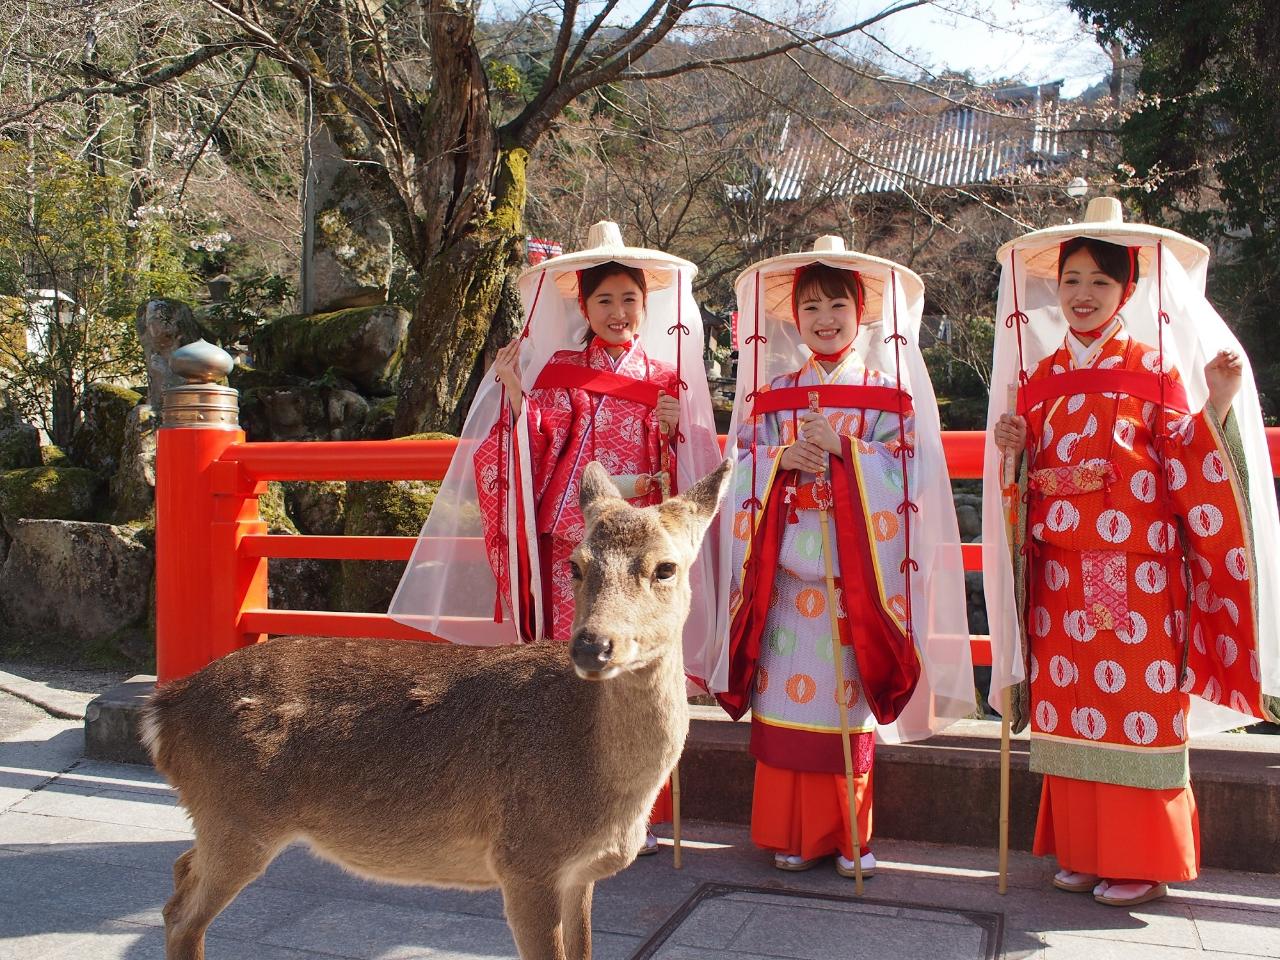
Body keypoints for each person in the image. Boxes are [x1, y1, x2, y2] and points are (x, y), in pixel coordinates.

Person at [390, 221, 723, 854]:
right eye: (605, 301)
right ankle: (565, 806)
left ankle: (631, 816)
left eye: (629, 300)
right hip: (579, 541)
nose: (618, 312)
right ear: (584, 306)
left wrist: (681, 429)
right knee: (571, 667)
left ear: (645, 305)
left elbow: (691, 484)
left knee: (640, 668)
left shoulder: (667, 378)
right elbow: (528, 446)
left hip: (640, 549)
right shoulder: (564, 372)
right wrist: (516, 395)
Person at [984, 197, 1280, 906]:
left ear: (1128, 291)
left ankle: (1139, 858)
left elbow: (1184, 455)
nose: (1084, 296)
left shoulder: (1151, 369)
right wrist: (1015, 454)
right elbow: (1023, 487)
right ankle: (1084, 850)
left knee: (1133, 709)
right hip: (1061, 575)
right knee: (1071, 708)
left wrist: (1216, 402)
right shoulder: (1042, 376)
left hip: (1134, 578)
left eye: (1100, 283)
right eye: (1072, 281)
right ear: (1055, 289)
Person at [714, 237, 973, 879]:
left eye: (837, 304)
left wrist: (847, 452)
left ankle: (851, 835)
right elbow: (737, 470)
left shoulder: (890, 394)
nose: (824, 318)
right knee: (787, 705)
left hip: (852, 583)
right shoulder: (770, 395)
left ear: (861, 313)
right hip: (787, 577)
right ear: (793, 320)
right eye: (810, 307)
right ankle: (792, 832)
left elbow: (912, 475)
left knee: (844, 709)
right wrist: (778, 462)